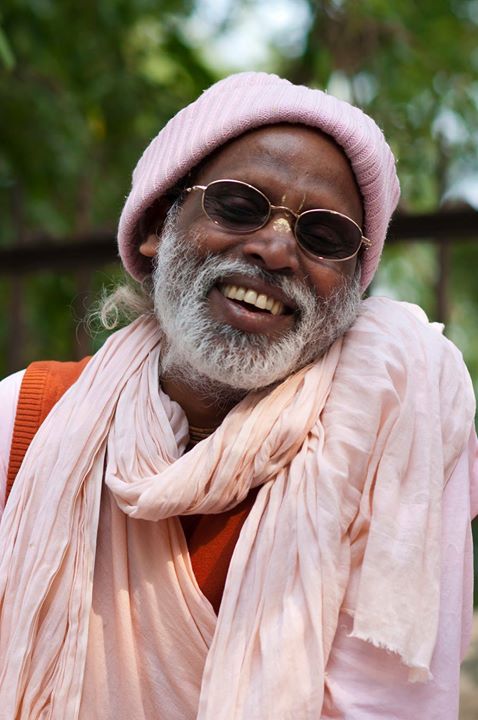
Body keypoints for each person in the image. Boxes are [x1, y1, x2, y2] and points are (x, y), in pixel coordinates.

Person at [0, 71, 476, 720]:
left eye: (324, 237)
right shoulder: (25, 421)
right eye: (238, 205)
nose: (277, 248)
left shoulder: (389, 441)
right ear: (155, 229)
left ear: (352, 292)